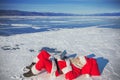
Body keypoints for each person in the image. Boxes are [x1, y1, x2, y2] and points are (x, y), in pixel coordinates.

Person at [23, 50, 100, 80]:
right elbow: (68, 62)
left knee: (43, 61)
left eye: (79, 59)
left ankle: (32, 72)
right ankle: (32, 65)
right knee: (43, 52)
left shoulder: (78, 69)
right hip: (57, 62)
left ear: (82, 64)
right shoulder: (76, 62)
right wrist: (64, 59)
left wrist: (63, 62)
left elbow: (69, 77)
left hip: (56, 69)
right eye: (79, 58)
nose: (78, 59)